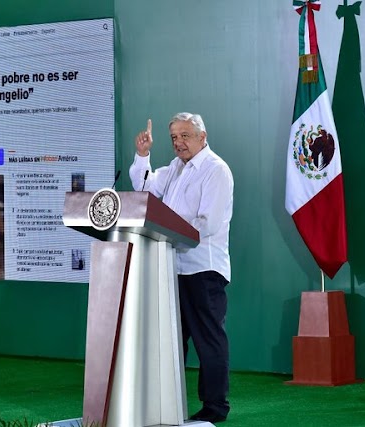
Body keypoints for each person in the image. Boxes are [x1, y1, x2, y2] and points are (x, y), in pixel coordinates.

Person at [129, 112, 234, 423]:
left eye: (185, 136)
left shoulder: (216, 170)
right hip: (172, 267)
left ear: (203, 137)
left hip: (204, 270)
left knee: (208, 341)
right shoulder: (176, 167)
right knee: (173, 342)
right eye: (174, 137)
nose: (178, 142)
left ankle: (215, 408)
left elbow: (208, 223)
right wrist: (143, 154)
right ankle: (168, 404)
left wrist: (167, 229)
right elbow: (145, 187)